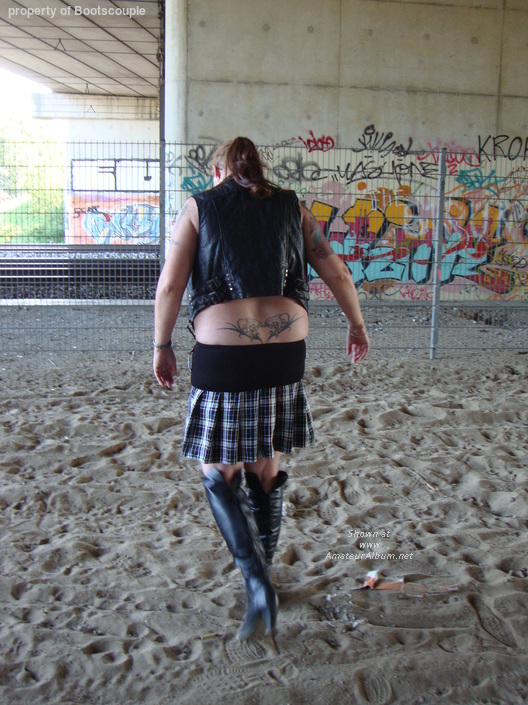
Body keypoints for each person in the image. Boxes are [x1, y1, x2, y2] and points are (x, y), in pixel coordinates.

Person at [153, 137, 369, 641]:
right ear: (258, 169)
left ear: (219, 171)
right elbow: (336, 270)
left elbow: (170, 286)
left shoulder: (200, 206)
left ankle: (256, 583)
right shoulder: (293, 206)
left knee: (217, 468)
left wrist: (161, 345)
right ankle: (264, 571)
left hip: (225, 354)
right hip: (284, 351)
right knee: (265, 462)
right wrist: (357, 326)